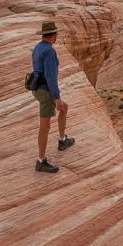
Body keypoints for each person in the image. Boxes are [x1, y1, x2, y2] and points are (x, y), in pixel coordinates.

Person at [31, 21, 74, 173]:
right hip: (45, 91)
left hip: (37, 88)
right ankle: (41, 161)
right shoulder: (49, 51)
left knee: (64, 107)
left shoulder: (38, 47)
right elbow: (50, 76)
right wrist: (56, 97)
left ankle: (63, 140)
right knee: (45, 126)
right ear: (54, 35)